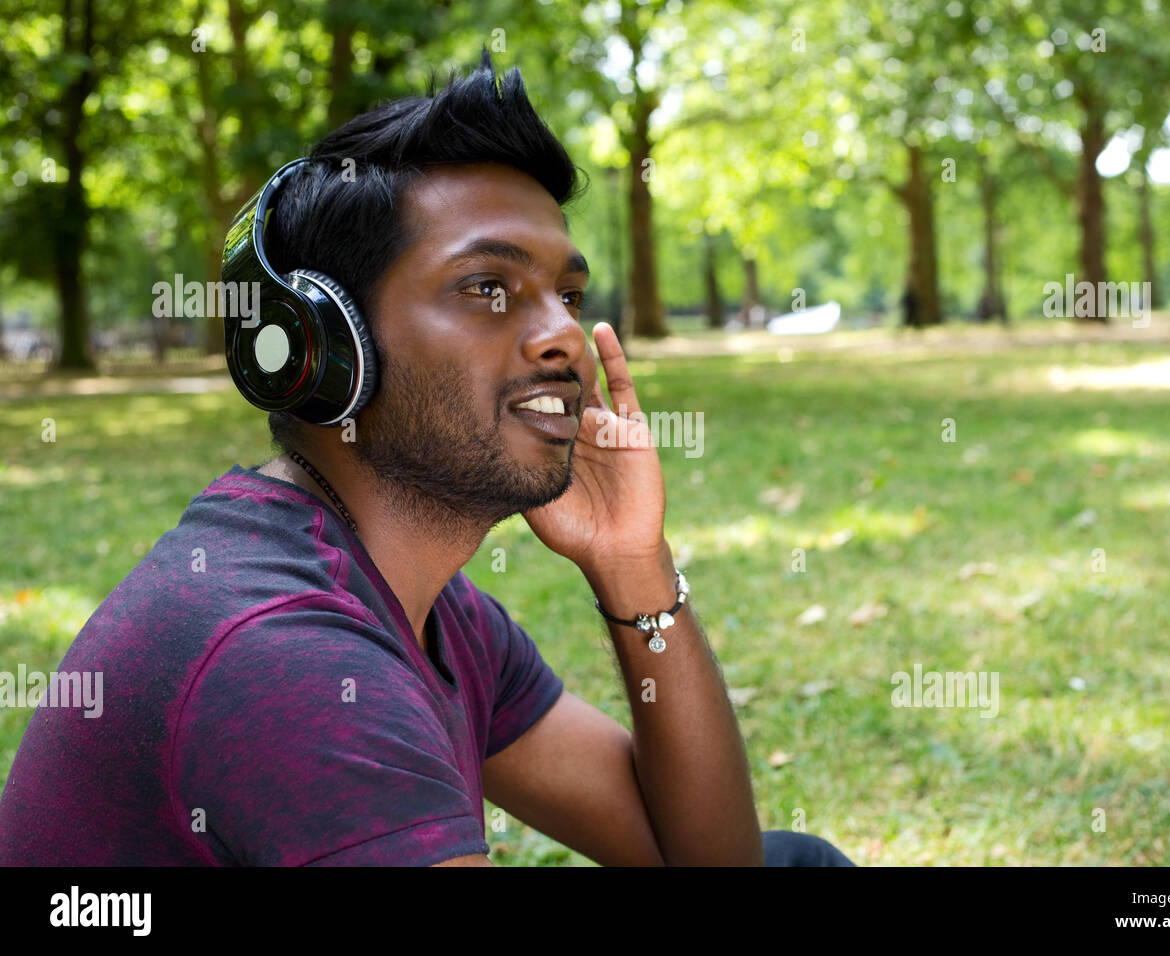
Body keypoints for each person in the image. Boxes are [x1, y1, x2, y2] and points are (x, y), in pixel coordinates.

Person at [0, 51, 853, 868]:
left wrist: (635, 565)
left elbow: (703, 858)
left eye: (569, 296)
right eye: (488, 288)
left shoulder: (432, 609)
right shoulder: (287, 661)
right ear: (326, 346)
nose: (564, 334)